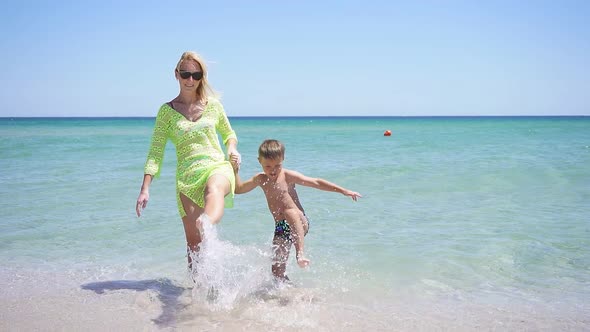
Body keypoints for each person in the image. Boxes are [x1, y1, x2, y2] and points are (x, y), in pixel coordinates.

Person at [135, 51, 241, 270]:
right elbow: (156, 152)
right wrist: (145, 188)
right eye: (185, 74)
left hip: (217, 166)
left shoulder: (214, 106)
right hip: (187, 177)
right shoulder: (166, 112)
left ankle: (208, 221)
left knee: (214, 189)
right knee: (194, 246)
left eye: (196, 74)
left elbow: (229, 135)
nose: (190, 79)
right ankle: (195, 298)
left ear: (202, 76)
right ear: (176, 74)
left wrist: (232, 150)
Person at [231, 139, 361, 281]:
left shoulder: (288, 176)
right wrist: (235, 169)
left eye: (277, 165)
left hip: (299, 221)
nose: (273, 170)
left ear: (283, 159)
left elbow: (316, 182)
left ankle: (300, 253)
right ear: (259, 161)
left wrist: (344, 191)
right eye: (268, 166)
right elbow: (239, 189)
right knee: (277, 272)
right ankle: (289, 294)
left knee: (289, 211)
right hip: (281, 227)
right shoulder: (260, 179)